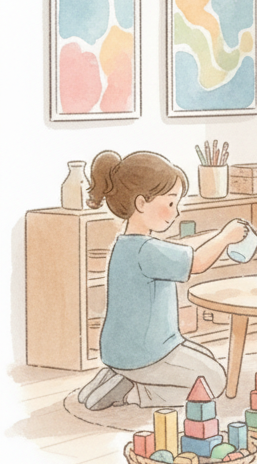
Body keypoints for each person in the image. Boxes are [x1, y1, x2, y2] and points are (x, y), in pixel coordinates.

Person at [77, 150, 246, 410]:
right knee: (213, 380)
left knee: (206, 358)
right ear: (142, 203)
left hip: (121, 350)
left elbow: (182, 250)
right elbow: (197, 262)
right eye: (170, 204)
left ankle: (118, 376)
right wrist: (224, 238)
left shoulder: (127, 246)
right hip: (149, 353)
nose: (175, 212)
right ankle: (134, 391)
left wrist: (214, 236)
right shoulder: (148, 251)